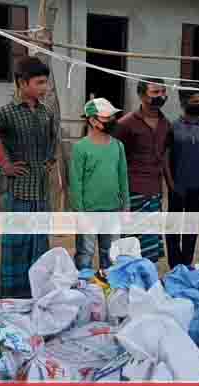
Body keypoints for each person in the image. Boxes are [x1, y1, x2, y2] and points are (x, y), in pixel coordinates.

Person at [0, 56, 59, 298]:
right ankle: (13, 299)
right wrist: (0, 168)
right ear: (22, 82)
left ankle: (38, 297)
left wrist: (50, 159)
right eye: (39, 83)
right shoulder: (4, 113)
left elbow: (52, 139)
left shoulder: (46, 112)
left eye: (45, 83)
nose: (44, 88)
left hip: (41, 192)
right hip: (18, 191)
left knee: (40, 245)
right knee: (17, 247)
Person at [114, 78, 171, 263]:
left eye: (163, 92)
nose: (161, 96)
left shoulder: (165, 124)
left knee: (150, 240)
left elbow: (164, 156)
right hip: (133, 189)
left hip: (154, 189)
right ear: (141, 95)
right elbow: (116, 157)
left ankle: (147, 277)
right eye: (155, 93)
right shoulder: (126, 123)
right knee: (131, 240)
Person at [70, 98, 129, 270]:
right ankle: (83, 290)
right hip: (89, 212)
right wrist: (80, 213)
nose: (112, 121)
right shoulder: (80, 148)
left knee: (112, 254)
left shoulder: (118, 146)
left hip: (113, 210)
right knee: (85, 253)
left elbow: (123, 177)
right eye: (107, 117)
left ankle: (110, 290)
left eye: (113, 117)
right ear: (93, 120)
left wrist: (126, 207)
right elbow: (76, 182)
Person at [164, 88, 199, 269]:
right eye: (194, 101)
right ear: (184, 103)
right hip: (178, 186)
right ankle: (174, 265)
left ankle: (186, 264)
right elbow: (166, 156)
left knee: (192, 228)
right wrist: (170, 183)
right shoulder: (172, 127)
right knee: (173, 228)